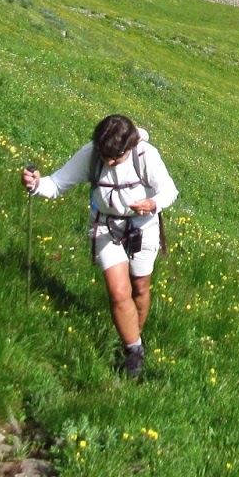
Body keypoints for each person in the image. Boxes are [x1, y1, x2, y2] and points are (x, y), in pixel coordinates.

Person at [22, 114, 178, 378]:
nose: (109, 162)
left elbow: (169, 191)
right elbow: (56, 184)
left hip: (143, 227)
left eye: (115, 157)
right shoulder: (92, 154)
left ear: (129, 147)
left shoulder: (145, 155)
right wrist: (36, 184)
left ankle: (133, 338)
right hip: (105, 227)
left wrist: (152, 204)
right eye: (105, 156)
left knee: (140, 287)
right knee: (118, 291)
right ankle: (134, 351)